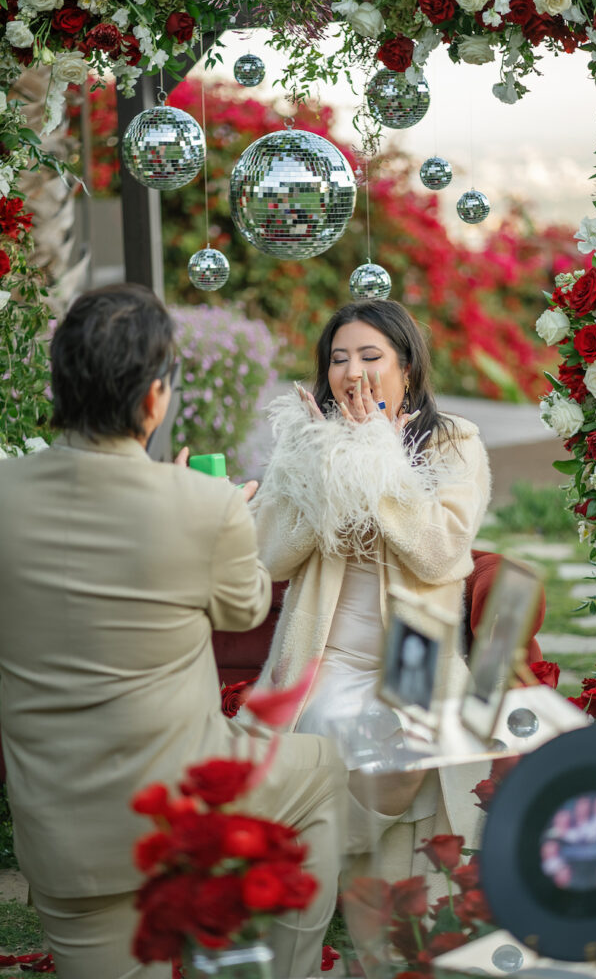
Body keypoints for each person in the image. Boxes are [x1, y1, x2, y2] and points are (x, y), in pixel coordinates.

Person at [0, 284, 344, 979]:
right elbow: (245, 610)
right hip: (185, 808)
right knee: (322, 770)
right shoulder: (203, 504)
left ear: (61, 385)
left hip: (65, 840)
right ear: (154, 399)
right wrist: (222, 515)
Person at [247, 298, 491, 872]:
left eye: (369, 356)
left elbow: (440, 554)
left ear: (406, 367)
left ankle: (302, 860)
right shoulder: (309, 441)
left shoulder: (452, 442)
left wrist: (378, 457)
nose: (352, 372)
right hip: (324, 651)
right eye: (338, 359)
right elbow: (271, 556)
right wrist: (321, 463)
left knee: (405, 756)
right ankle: (309, 868)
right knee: (333, 721)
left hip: (413, 650)